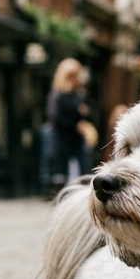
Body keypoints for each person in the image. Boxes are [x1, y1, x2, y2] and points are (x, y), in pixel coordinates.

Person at [43, 58, 95, 192]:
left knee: (82, 171)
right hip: (62, 140)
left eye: (76, 76)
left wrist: (85, 113)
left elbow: (90, 115)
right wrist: (74, 125)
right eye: (71, 76)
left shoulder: (81, 94)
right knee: (61, 175)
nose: (74, 79)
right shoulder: (57, 94)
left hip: (77, 141)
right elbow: (54, 117)